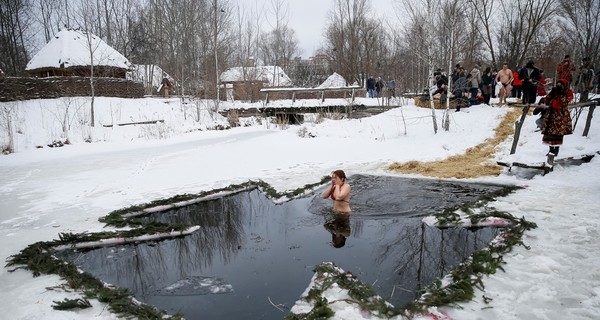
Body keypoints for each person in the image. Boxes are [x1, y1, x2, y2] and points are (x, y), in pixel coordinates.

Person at [541, 79, 573, 158]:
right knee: (550, 132)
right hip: (552, 115)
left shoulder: (568, 92)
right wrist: (551, 93)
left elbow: (565, 102)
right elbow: (546, 99)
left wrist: (561, 94)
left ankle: (556, 150)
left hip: (561, 115)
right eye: (558, 84)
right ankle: (551, 150)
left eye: (560, 84)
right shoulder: (555, 92)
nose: (559, 86)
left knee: (558, 132)